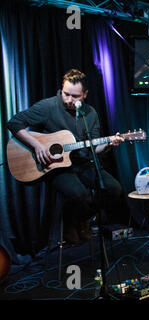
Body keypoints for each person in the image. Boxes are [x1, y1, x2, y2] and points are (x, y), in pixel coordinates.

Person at [7, 69, 124, 244]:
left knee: (114, 189)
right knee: (80, 194)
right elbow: (14, 122)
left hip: (84, 163)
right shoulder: (49, 107)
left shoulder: (90, 114)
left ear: (85, 94)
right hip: (57, 167)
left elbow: (94, 147)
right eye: (66, 94)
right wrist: (37, 145)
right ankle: (70, 222)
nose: (69, 100)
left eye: (75, 96)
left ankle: (81, 219)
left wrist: (108, 144)